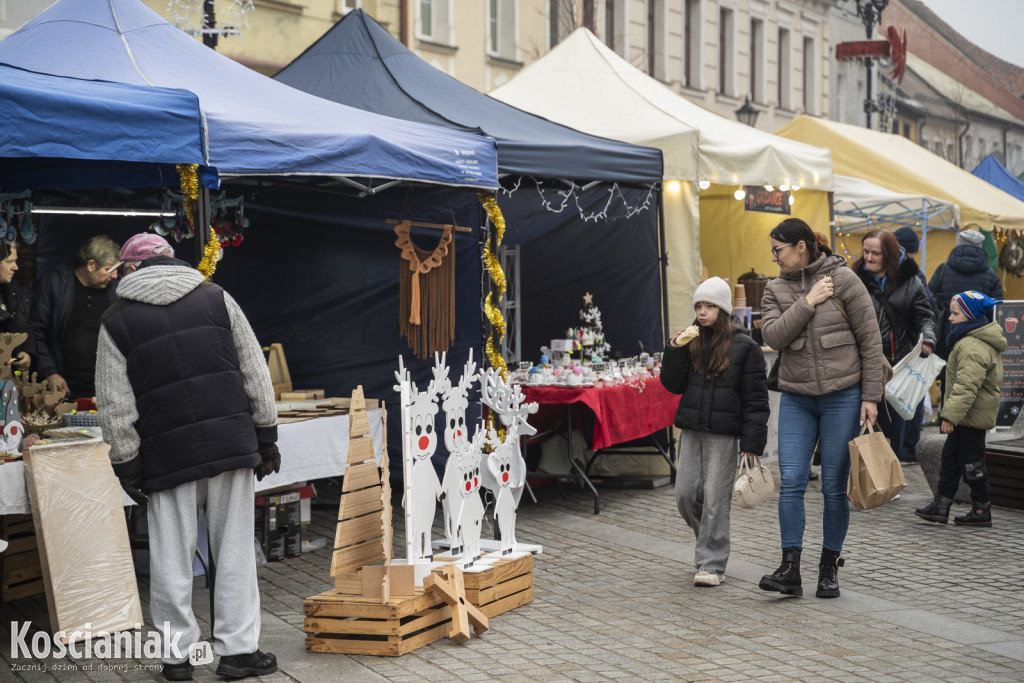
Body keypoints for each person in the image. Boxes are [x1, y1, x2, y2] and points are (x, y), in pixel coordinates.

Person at [96, 234, 281, 681]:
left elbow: (114, 403)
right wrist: (266, 435)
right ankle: (238, 653)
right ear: (174, 262)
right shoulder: (216, 297)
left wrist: (127, 465)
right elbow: (255, 370)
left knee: (170, 558)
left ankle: (176, 658)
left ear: (128, 270)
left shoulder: (116, 319)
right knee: (233, 549)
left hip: (166, 453)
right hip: (231, 445)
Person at [759, 218, 883, 599]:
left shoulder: (844, 280)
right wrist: (808, 301)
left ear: (801, 246)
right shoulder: (774, 289)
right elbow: (773, 335)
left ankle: (829, 567)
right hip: (795, 397)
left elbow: (870, 340)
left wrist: (871, 397)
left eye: (778, 249)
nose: (774, 257)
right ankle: (790, 568)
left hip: (842, 396)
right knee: (792, 479)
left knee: (832, 485)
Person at [661, 277, 769, 588]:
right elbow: (672, 385)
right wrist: (674, 350)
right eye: (698, 306)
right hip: (693, 430)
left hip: (724, 433)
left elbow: (756, 400)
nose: (702, 311)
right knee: (684, 495)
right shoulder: (690, 341)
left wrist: (751, 443)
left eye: (709, 306)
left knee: (715, 500)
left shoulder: (746, 347)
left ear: (722, 309)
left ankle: (712, 563)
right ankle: (708, 540)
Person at [914, 291, 1005, 528]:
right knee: (950, 460)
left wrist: (949, 416)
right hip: (965, 416)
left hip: (970, 418)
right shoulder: (966, 341)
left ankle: (981, 508)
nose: (950, 318)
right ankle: (941, 505)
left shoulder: (972, 346)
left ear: (970, 316)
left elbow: (966, 388)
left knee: (971, 463)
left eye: (955, 313)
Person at [852, 229, 936, 464]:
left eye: (875, 253)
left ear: (888, 254)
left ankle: (889, 474)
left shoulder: (911, 281)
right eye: (866, 251)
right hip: (858, 363)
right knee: (859, 422)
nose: (868, 257)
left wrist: (928, 338)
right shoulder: (854, 277)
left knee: (891, 428)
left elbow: (926, 317)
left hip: (894, 366)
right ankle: (861, 476)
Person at [29, 234, 120, 399]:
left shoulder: (116, 291)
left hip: (106, 391)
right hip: (64, 388)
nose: (114, 276)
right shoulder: (54, 283)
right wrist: (50, 373)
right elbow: (37, 332)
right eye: (109, 270)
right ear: (91, 265)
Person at [892, 226, 940, 463]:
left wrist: (926, 336)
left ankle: (905, 449)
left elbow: (927, 312)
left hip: (908, 348)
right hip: (910, 347)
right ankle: (905, 449)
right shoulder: (916, 276)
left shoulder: (913, 279)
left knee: (908, 398)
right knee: (910, 397)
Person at [929, 228, 1002, 360]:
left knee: (947, 377)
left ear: (958, 245)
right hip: (979, 342)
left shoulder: (942, 270)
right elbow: (997, 313)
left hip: (946, 338)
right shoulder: (991, 276)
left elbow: (928, 299)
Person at [0, 243, 35, 372]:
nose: (15, 267)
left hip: (10, 378)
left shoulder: (19, 296)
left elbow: (28, 327)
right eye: (9, 261)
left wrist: (28, 353)